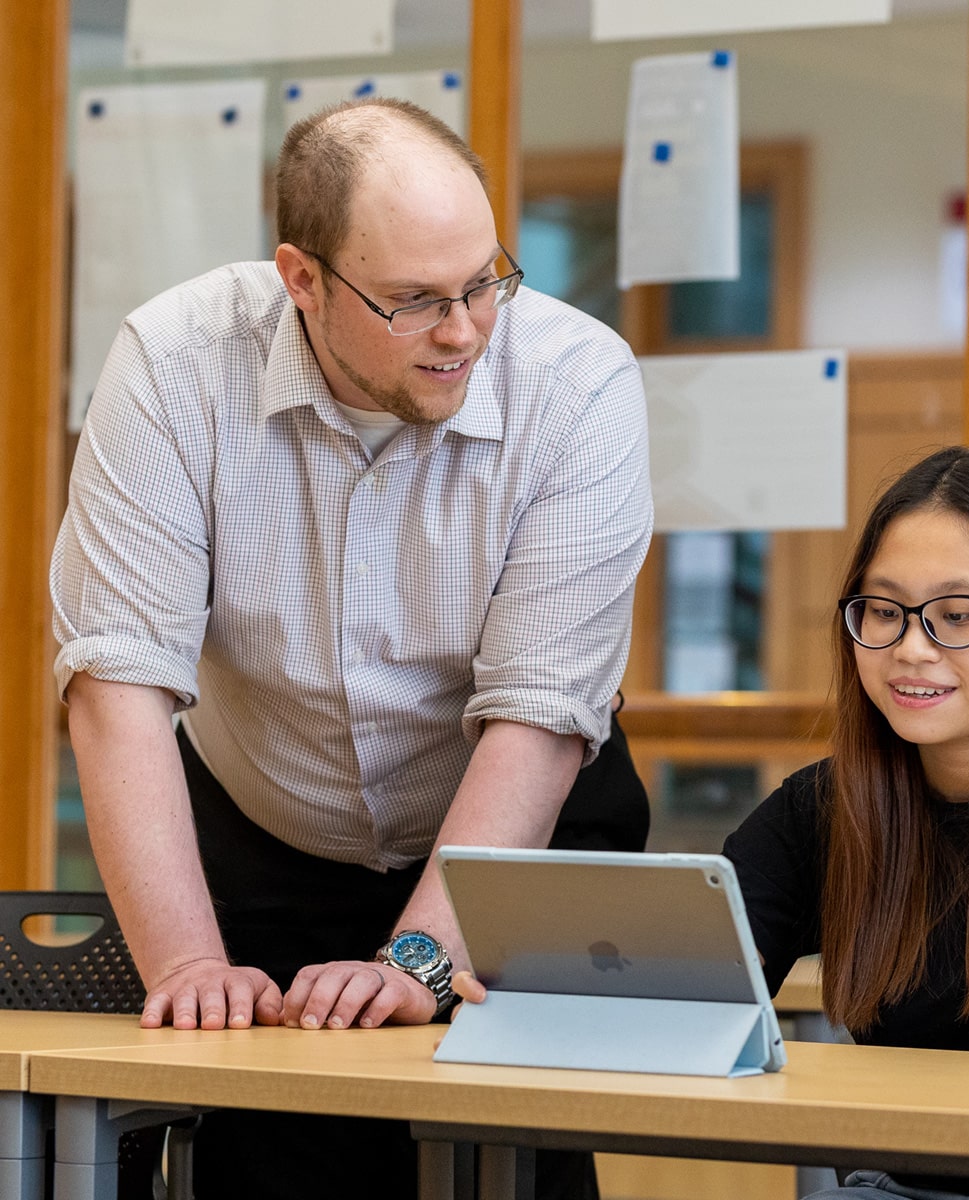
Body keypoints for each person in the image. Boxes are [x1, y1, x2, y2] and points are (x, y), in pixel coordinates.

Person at [52, 97, 653, 1199]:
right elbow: (116, 684)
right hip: (270, 829)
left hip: (522, 830)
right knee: (276, 1164)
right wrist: (189, 966)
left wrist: (421, 957)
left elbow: (537, 720)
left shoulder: (578, 386)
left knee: (511, 1167)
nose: (465, 330)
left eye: (484, 280)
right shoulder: (175, 367)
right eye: (416, 301)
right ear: (303, 280)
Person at [457, 446, 969, 1200]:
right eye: (882, 611)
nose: (911, 649)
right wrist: (529, 985)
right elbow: (693, 986)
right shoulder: (831, 805)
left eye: (957, 615)